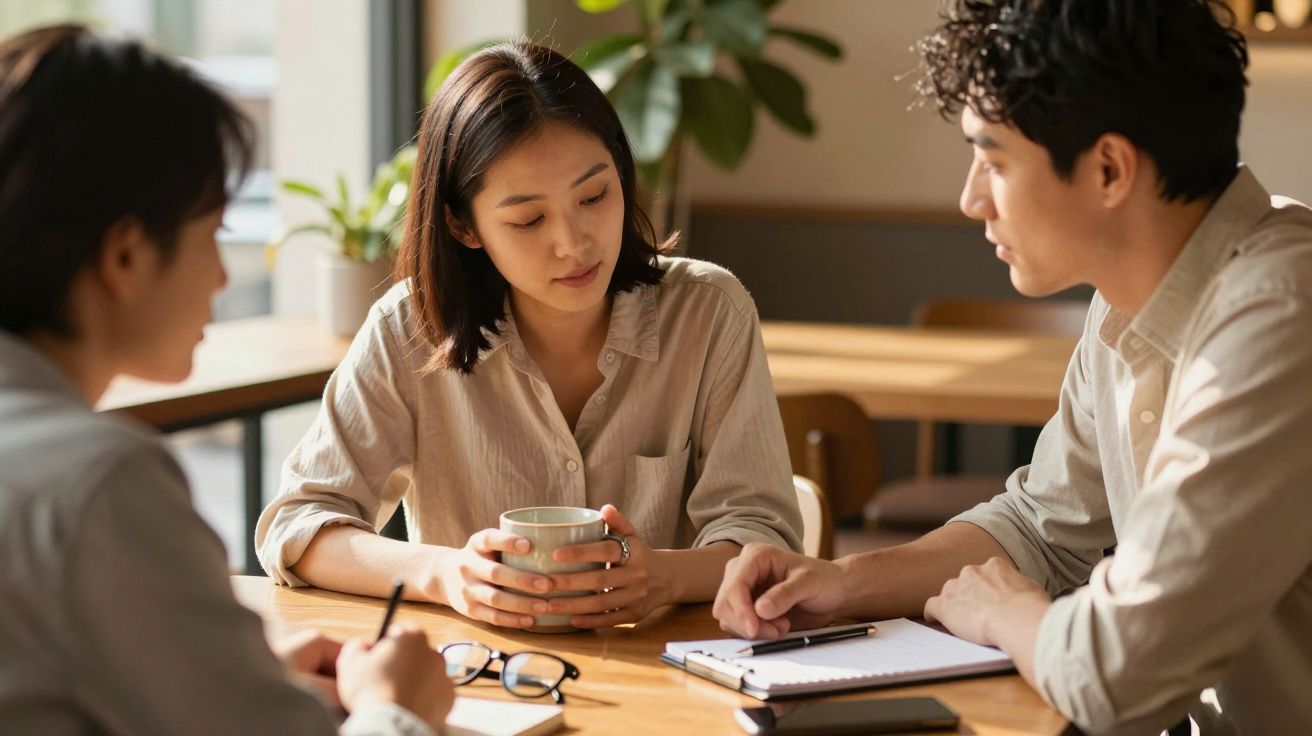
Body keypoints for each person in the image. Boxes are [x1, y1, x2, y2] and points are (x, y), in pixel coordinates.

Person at [712, 1, 1312, 733]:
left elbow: (1118, 673)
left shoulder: (1282, 314)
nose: (970, 199)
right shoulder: (1126, 303)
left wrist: (1009, 613)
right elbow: (1042, 525)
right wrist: (844, 582)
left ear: (1109, 169)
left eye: (993, 160)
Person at [255, 41, 802, 631]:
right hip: (480, 685)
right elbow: (298, 525)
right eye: (528, 219)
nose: (573, 242)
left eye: (594, 196)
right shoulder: (407, 329)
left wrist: (662, 576)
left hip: (675, 675)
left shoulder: (709, 313)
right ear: (462, 225)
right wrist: (445, 575)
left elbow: (761, 535)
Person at [0, 25, 452, 735]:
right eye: (213, 233)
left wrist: (239, 673)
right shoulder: (98, 484)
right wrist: (396, 707)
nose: (219, 277)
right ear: (126, 258)